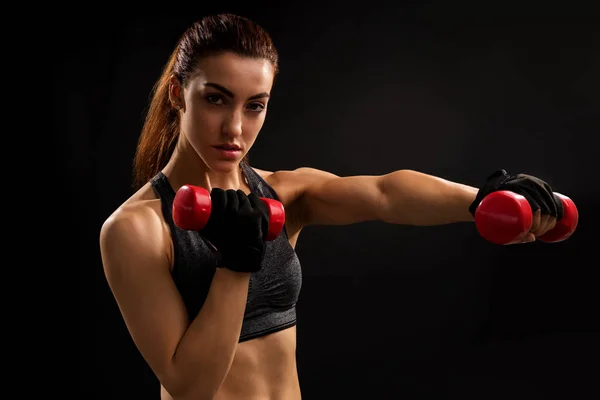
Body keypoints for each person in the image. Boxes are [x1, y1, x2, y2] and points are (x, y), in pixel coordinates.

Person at [99, 13, 565, 400]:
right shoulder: (136, 229)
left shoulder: (283, 193)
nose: (234, 128)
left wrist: (480, 198)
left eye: (255, 106)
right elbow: (188, 386)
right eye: (217, 99)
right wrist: (236, 265)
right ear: (179, 94)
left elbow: (385, 193)